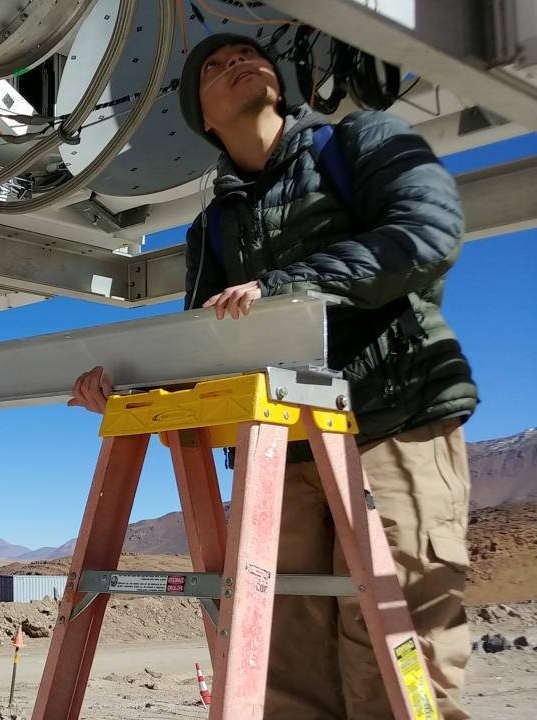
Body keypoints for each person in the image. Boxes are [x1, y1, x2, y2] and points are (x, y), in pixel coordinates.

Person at [70, 34, 477, 719]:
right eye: (215, 66)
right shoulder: (213, 228)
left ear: (279, 85)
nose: (238, 63)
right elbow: (209, 345)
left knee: (397, 661)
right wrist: (133, 388)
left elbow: (428, 233)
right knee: (284, 671)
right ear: (202, 119)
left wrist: (285, 287)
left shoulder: (363, 142)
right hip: (281, 454)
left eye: (248, 55)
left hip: (392, 425)